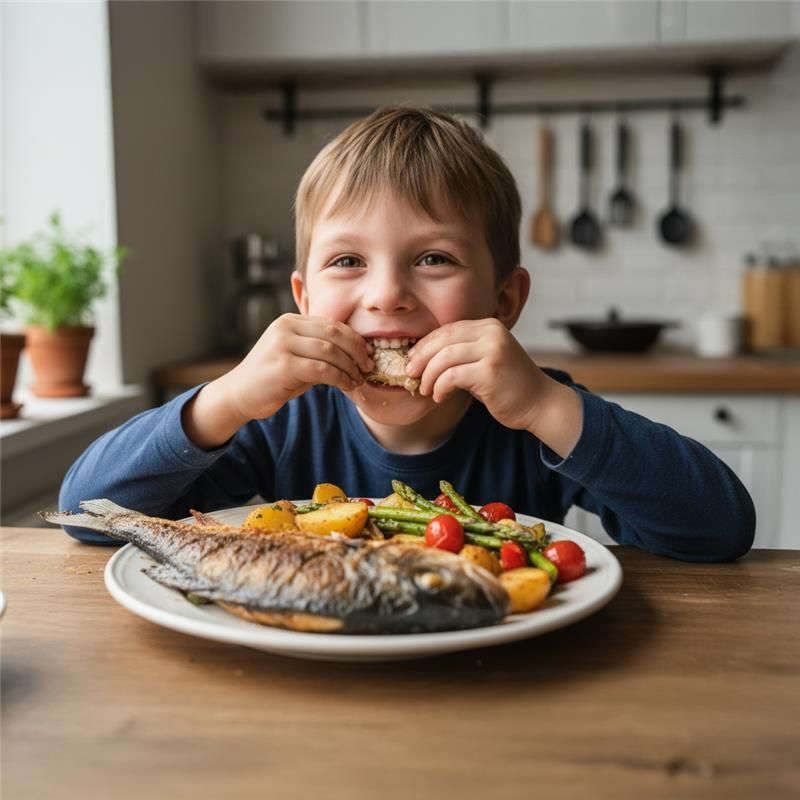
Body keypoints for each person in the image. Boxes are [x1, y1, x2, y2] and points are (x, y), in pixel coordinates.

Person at [59, 106, 755, 560]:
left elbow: (721, 529)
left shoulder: (529, 414)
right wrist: (227, 399)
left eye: (433, 259)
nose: (386, 294)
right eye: (347, 261)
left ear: (503, 301)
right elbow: (86, 515)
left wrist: (550, 407)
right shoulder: (277, 422)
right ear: (303, 301)